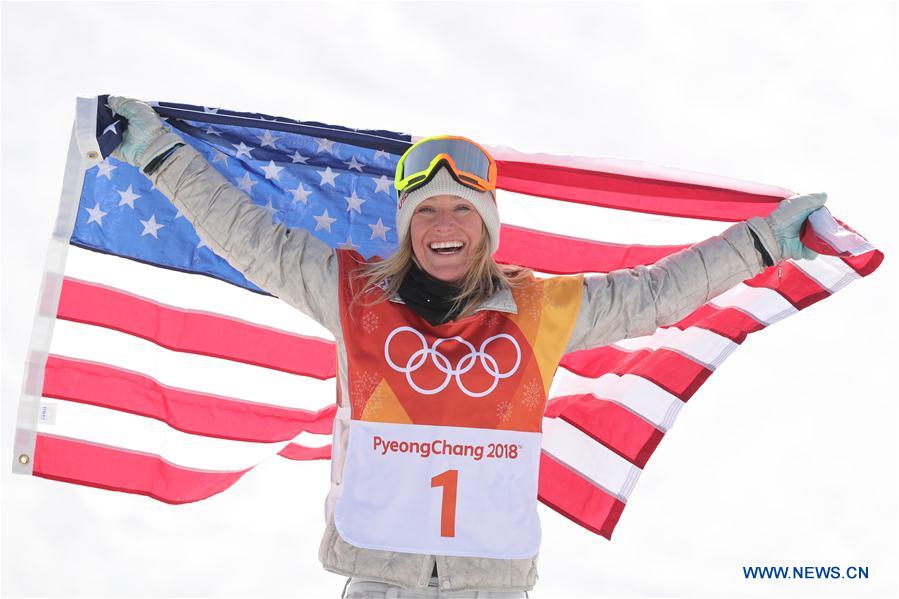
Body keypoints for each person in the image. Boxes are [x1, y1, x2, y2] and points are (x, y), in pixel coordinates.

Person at [107, 96, 826, 599]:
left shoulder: (540, 311)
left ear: (486, 226)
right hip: (378, 581)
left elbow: (654, 293)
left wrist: (761, 242)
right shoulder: (353, 295)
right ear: (406, 224)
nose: (444, 225)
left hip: (491, 585)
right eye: (427, 210)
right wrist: (160, 152)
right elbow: (249, 236)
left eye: (462, 209)